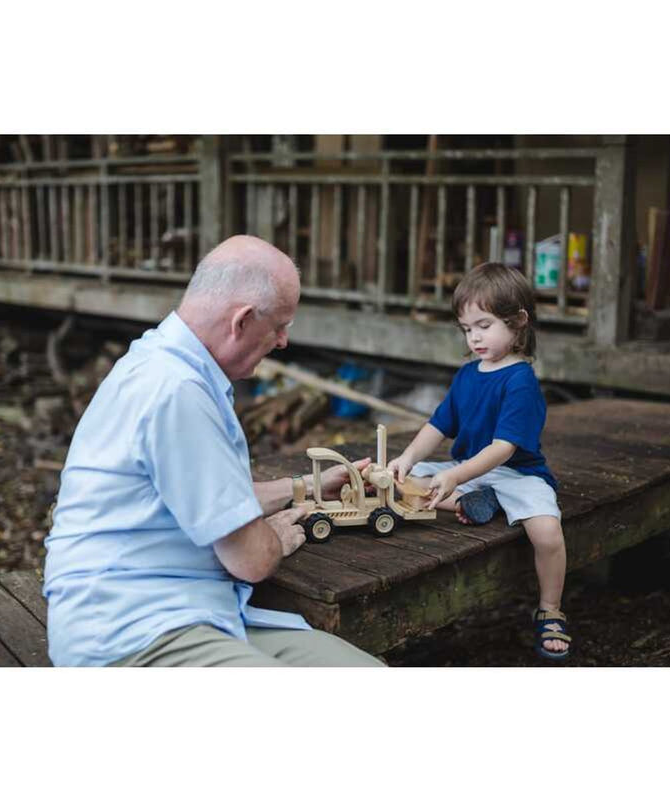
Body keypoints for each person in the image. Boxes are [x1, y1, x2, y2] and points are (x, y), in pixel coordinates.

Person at [42, 235, 383, 667]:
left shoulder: (166, 363)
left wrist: (308, 487)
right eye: (279, 326)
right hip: (131, 632)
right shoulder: (176, 391)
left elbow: (214, 497)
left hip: (196, 607)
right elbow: (252, 559)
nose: (281, 341)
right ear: (241, 321)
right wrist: (272, 537)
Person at [387, 262, 570, 661]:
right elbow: (438, 426)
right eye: (467, 329)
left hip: (517, 474)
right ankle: (474, 502)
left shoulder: (520, 380)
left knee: (547, 533)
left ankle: (550, 608)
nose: (474, 338)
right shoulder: (467, 375)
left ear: (518, 321)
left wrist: (454, 475)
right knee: (398, 481)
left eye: (484, 326)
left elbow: (503, 448)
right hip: (470, 472)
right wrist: (406, 457)